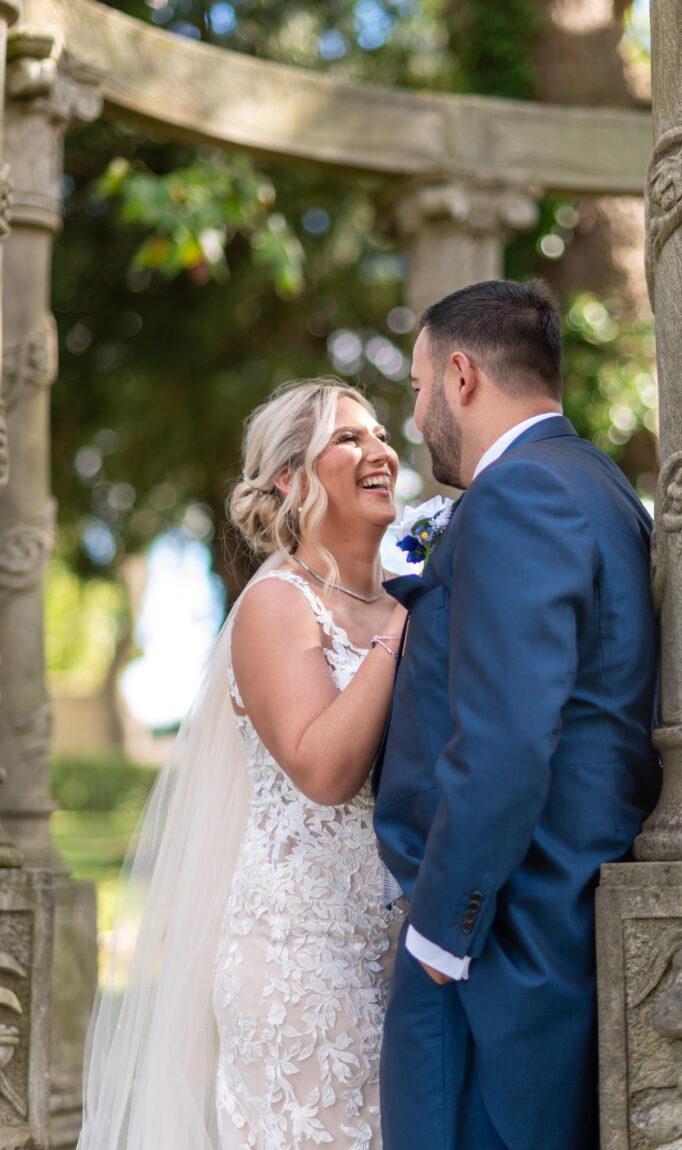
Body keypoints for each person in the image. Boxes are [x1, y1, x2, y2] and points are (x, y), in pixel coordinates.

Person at [78, 379, 408, 1150]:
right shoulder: (278, 605)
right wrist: (400, 635)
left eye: (383, 434)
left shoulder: (405, 597)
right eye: (348, 439)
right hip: (300, 964)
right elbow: (321, 771)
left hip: (395, 949)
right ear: (291, 481)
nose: (381, 451)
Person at [373, 279, 662, 1150]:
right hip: (547, 935)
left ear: (461, 376)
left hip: (497, 954)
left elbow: (503, 741)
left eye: (419, 390)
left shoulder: (518, 496)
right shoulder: (601, 485)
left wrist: (438, 933)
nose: (418, 416)